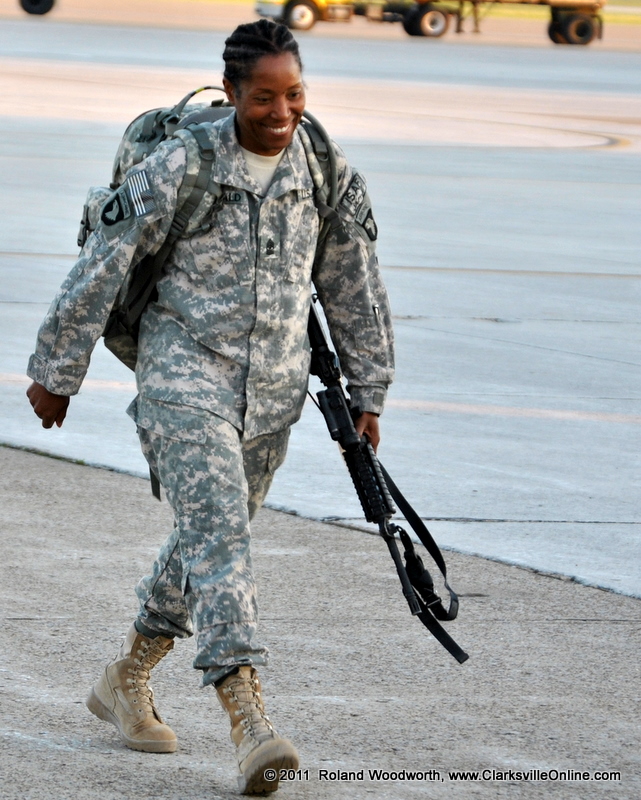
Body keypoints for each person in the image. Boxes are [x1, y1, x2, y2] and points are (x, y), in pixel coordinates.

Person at [26, 19, 394, 795]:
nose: (281, 111)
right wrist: (59, 368)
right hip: (183, 374)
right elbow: (105, 260)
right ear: (231, 92)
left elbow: (351, 278)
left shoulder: (320, 163)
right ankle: (248, 719)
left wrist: (369, 389)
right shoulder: (182, 162)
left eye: (294, 94)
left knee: (206, 539)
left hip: (273, 391)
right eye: (264, 97)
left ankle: (128, 675)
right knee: (222, 540)